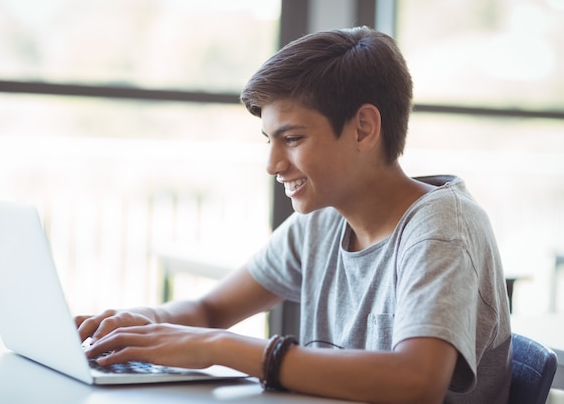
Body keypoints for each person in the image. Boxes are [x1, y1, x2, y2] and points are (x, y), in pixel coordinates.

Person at [76, 26, 512, 404]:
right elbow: (209, 311)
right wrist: (141, 324)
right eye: (268, 139)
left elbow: (418, 383)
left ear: (364, 127)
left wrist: (226, 349)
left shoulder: (441, 230)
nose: (272, 164)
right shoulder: (322, 222)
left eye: (293, 138)